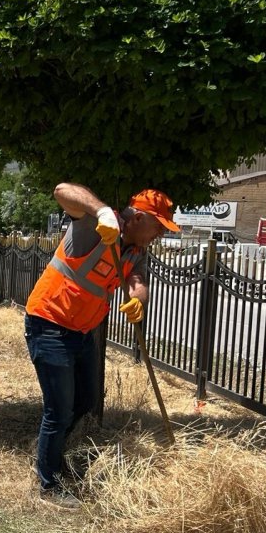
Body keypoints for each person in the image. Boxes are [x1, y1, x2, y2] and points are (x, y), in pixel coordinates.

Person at [23, 183, 179, 508]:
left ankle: (49, 455)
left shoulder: (136, 251)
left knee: (85, 403)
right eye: (158, 227)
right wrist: (102, 211)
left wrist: (138, 301)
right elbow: (62, 190)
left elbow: (138, 281)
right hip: (49, 322)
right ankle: (48, 486)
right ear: (137, 218)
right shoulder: (95, 227)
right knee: (59, 409)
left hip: (82, 332)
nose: (161, 236)